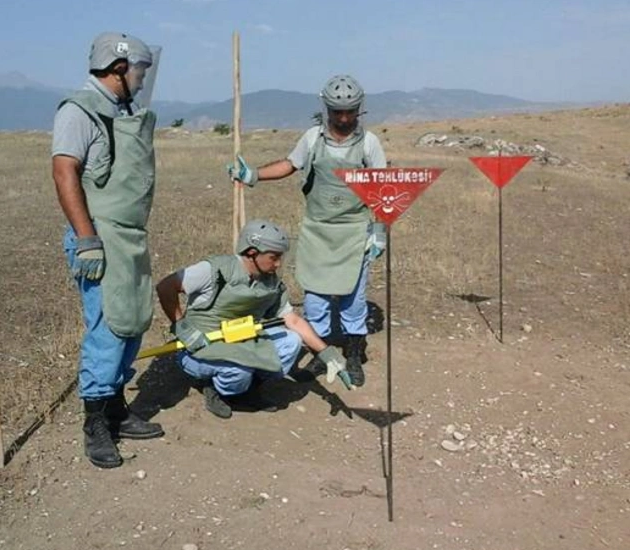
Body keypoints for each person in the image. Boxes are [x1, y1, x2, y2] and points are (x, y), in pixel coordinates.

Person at [229, 75, 388, 387]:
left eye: (350, 112)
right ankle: (321, 354)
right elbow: (290, 164)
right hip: (318, 232)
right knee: (315, 301)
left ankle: (354, 356)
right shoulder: (313, 138)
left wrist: (378, 232)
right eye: (337, 112)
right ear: (327, 109)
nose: (344, 118)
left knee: (353, 301)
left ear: (359, 110)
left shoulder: (369, 144)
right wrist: (254, 175)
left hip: (355, 232)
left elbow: (383, 190)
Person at [52, 31, 163, 469]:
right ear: (119, 68)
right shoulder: (79, 111)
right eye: (138, 70)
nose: (141, 79)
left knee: (131, 322)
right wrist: (86, 240)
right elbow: (64, 174)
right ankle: (95, 422)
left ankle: (116, 406)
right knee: (107, 327)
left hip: (129, 237)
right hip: (99, 238)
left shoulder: (119, 109)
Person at [155, 220, 349, 419]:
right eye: (273, 257)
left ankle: (246, 389)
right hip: (199, 346)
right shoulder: (216, 270)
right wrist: (182, 327)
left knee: (291, 341)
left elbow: (294, 321)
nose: (278, 264)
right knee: (239, 369)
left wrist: (326, 353)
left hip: (240, 339)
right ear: (251, 252)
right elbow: (165, 287)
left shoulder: (271, 282)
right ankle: (216, 389)